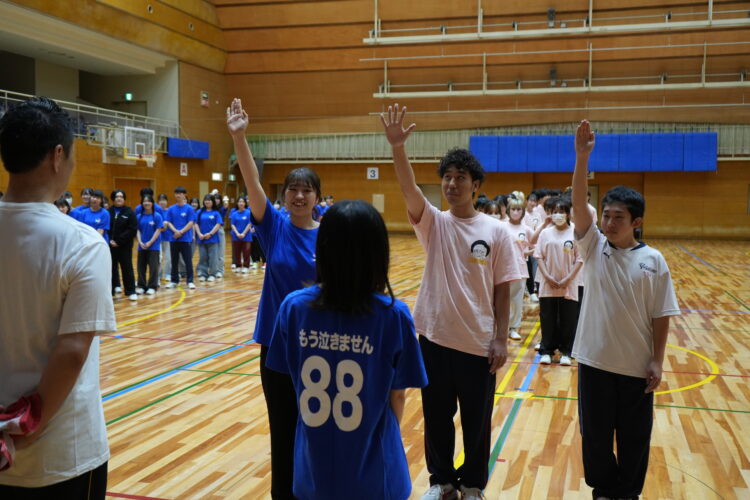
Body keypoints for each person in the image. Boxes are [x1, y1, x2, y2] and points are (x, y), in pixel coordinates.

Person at [381, 104, 523, 500]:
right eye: (446, 177)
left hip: (478, 343)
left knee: (477, 422)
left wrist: (500, 338)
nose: (452, 184)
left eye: (460, 178)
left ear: (476, 185)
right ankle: (441, 481)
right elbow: (409, 188)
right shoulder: (435, 223)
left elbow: (503, 287)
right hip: (434, 338)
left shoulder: (496, 231)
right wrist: (398, 148)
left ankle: (473, 484)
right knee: (437, 417)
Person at [266, 200, 428, 500]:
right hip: (376, 473)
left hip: (312, 472)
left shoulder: (293, 307)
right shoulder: (394, 315)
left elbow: (290, 379)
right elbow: (397, 396)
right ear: (378, 254)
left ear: (323, 250)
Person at [0, 96, 115, 498]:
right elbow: (71, 352)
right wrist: (24, 430)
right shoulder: (82, 243)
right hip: (61, 453)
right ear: (57, 155)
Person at [571, 120, 680, 499]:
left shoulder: (653, 260)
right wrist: (582, 157)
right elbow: (577, 202)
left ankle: (628, 493)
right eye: (606, 215)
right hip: (595, 363)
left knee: (635, 439)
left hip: (636, 369)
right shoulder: (593, 247)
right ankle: (603, 490)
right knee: (595, 437)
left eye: (618, 217)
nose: (609, 222)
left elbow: (661, 313)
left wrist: (657, 360)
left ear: (636, 222)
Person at [228, 97, 322, 500]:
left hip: (319, 346)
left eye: (306, 190)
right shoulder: (274, 227)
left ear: (318, 196)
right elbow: (251, 182)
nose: (298, 196)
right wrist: (239, 136)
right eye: (292, 190)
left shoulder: (330, 235)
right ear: (283, 195)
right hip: (276, 346)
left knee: (316, 430)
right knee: (283, 430)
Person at [534, 197, 583, 366]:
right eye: (555, 212)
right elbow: (539, 256)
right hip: (548, 283)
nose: (558, 215)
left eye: (561, 211)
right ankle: (547, 350)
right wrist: (547, 276)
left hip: (569, 284)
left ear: (568, 214)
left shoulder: (576, 232)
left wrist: (568, 278)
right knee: (547, 318)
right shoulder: (545, 233)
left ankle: (566, 352)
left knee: (568, 319)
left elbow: (580, 259)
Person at [505, 195, 533, 341]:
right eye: (513, 209)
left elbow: (536, 246)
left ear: (522, 212)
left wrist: (524, 253)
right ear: (508, 210)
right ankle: (501, 328)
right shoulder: (501, 226)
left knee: (516, 300)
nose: (516, 212)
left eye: (519, 209)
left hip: (520, 269)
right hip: (503, 270)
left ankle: (514, 328)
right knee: (502, 300)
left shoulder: (526, 229)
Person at [108, 189, 138, 301]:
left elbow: (132, 229)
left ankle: (130, 291)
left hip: (124, 246)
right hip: (110, 246)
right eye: (116, 196)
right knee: (110, 269)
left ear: (124, 199)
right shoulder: (108, 212)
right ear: (113, 199)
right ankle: (110, 291)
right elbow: (107, 228)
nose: (119, 198)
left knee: (127, 268)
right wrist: (111, 240)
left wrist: (119, 241)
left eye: (121, 196)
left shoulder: (129, 212)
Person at [165, 187, 196, 289]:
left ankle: (190, 281)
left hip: (185, 239)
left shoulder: (189, 209)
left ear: (184, 195)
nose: (178, 195)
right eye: (176, 193)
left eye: (180, 193)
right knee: (174, 260)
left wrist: (181, 232)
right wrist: (175, 231)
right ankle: (174, 280)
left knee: (188, 260)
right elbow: (168, 222)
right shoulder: (171, 209)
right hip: (174, 238)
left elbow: (191, 222)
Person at [136, 194, 162, 295]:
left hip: (154, 246)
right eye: (144, 201)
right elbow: (138, 230)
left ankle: (152, 286)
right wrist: (140, 241)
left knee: (153, 267)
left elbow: (158, 230)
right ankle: (142, 286)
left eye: (148, 201)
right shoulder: (139, 216)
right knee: (141, 267)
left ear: (152, 203)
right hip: (141, 246)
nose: (146, 203)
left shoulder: (157, 216)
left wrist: (150, 242)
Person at [195, 194, 222, 282]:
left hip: (212, 239)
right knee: (203, 257)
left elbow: (218, 224)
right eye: (206, 200)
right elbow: (195, 223)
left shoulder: (216, 212)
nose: (207, 201)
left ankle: (213, 274)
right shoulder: (200, 212)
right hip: (202, 239)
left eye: (209, 200)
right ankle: (203, 274)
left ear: (212, 202)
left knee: (213, 258)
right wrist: (199, 234)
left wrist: (210, 234)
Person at [230, 196, 254, 273]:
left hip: (246, 236)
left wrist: (243, 233)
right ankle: (238, 266)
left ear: (245, 203)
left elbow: (249, 223)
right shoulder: (234, 213)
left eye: (242, 202)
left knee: (246, 252)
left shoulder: (248, 212)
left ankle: (246, 266)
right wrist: (237, 233)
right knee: (237, 252)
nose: (241, 203)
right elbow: (232, 224)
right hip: (236, 236)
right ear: (237, 203)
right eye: (239, 202)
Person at [157, 193, 172, 282]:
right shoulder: (156, 211)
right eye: (160, 200)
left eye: (164, 200)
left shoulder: (169, 211)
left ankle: (168, 274)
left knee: (168, 258)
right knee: (158, 257)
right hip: (158, 238)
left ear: (167, 201)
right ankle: (158, 275)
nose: (162, 202)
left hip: (168, 237)